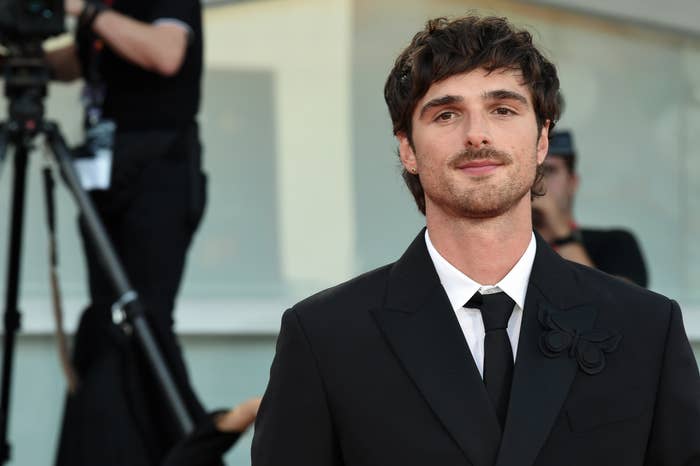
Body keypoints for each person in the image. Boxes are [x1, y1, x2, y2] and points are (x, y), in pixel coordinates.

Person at [251, 15, 700, 466]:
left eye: (503, 109)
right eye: (446, 114)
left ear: (542, 138)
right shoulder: (325, 337)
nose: (476, 134)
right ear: (407, 148)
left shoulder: (648, 329)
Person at [44, 1, 232, 465]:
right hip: (107, 180)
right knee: (107, 322)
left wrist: (83, 10)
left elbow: (165, 53)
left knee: (141, 318)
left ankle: (194, 450)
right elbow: (79, 59)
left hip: (157, 174)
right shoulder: (107, 13)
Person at [532, 130, 648, 287]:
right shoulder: (508, 250)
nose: (538, 182)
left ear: (572, 182)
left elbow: (619, 308)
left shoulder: (614, 243)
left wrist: (560, 230)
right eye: (532, 172)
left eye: (550, 171)